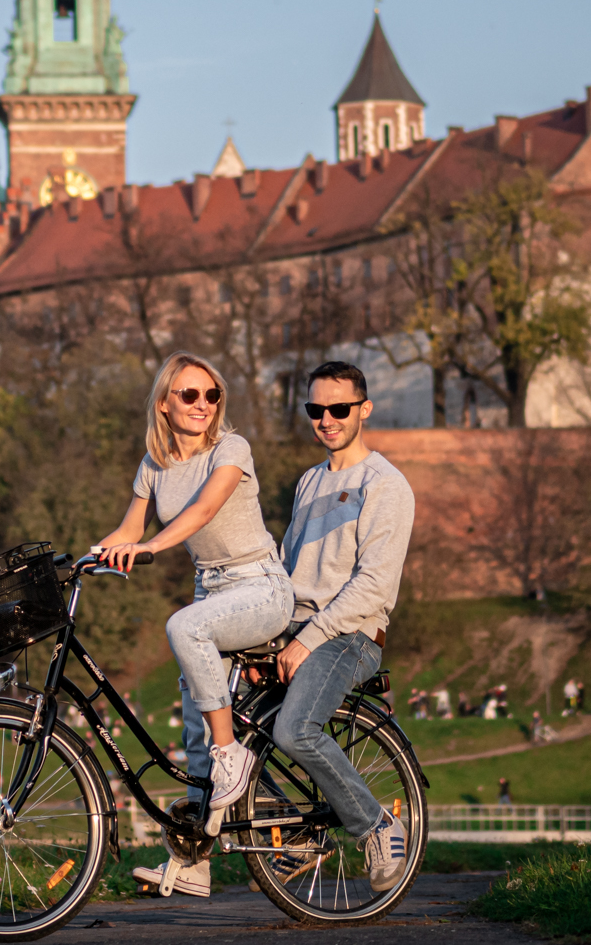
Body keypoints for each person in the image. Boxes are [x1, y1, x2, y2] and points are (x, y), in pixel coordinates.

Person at [97, 352, 293, 899]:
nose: (203, 405)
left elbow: (203, 511)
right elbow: (129, 526)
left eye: (211, 395)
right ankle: (197, 862)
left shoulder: (231, 449)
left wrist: (153, 546)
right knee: (195, 738)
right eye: (190, 395)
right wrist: (90, 556)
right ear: (164, 403)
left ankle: (236, 757)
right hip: (212, 590)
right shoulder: (153, 464)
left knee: (183, 628)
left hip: (260, 587)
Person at [274, 360, 416, 895]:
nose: (327, 419)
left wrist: (308, 639)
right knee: (218, 713)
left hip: (350, 635)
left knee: (294, 730)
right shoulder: (310, 480)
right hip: (296, 629)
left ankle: (376, 825)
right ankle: (293, 835)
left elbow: (374, 586)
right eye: (316, 409)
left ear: (365, 410)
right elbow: (289, 567)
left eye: (339, 408)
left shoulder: (385, 484)